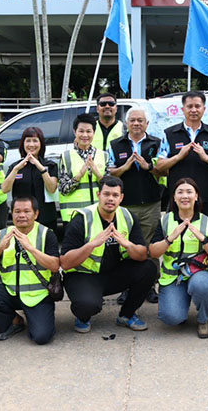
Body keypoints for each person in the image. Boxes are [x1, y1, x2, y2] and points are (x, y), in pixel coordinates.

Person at [61, 176, 156, 333]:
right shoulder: (82, 219)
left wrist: (127, 244)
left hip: (113, 274)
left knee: (148, 268)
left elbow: (142, 255)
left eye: (115, 195)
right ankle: (83, 316)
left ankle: (126, 315)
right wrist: (92, 245)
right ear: (98, 195)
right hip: (84, 275)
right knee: (87, 305)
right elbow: (65, 263)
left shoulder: (128, 217)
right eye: (106, 194)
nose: (110, 199)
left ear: (121, 198)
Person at [0, 196, 60, 345]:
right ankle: (14, 322)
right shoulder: (1, 234)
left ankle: (37, 318)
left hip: (37, 295)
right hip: (10, 292)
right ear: (12, 213)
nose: (21, 215)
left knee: (41, 337)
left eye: (27, 211)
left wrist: (30, 248)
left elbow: (55, 265)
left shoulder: (46, 233)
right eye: (17, 211)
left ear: (36, 214)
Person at [149, 178, 208, 339]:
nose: (185, 196)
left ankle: (203, 320)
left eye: (189, 192)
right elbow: (153, 252)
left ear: (196, 196)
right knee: (171, 318)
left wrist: (203, 239)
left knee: (202, 285)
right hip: (174, 277)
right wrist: (170, 238)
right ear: (174, 198)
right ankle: (183, 301)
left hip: (200, 274)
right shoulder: (165, 220)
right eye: (180, 192)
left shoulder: (207, 222)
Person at [108, 107, 163, 303]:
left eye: (140, 120)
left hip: (151, 203)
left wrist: (148, 166)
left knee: (150, 247)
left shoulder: (156, 143)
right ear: (127, 123)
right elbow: (110, 171)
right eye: (132, 120)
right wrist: (125, 166)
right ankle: (126, 286)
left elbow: (163, 170)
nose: (136, 123)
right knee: (125, 246)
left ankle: (150, 285)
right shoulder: (116, 144)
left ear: (147, 124)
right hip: (125, 205)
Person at [156, 91, 208, 222]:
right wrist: (178, 157)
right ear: (183, 109)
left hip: (206, 197)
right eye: (189, 106)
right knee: (177, 232)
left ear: (204, 109)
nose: (194, 110)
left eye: (197, 106)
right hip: (179, 198)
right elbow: (159, 165)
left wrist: (206, 157)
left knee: (205, 231)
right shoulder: (170, 133)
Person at [3, 126, 59, 235]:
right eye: (28, 141)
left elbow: (52, 189)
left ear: (41, 144)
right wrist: (16, 169)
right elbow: (5, 189)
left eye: (35, 141)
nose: (31, 144)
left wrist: (41, 168)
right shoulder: (15, 166)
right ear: (23, 144)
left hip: (46, 218)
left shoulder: (50, 165)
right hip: (23, 219)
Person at [58, 113, 108, 224]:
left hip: (99, 214)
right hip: (74, 216)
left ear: (94, 132)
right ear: (74, 132)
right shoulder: (66, 157)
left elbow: (109, 187)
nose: (85, 135)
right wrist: (79, 175)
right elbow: (63, 189)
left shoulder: (104, 156)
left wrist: (97, 173)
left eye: (88, 131)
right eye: (81, 131)